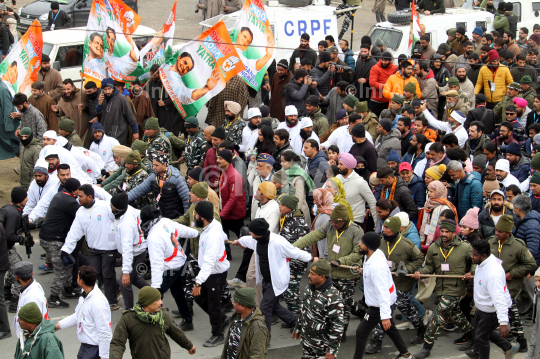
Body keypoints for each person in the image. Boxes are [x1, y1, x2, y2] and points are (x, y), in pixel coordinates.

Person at [232, 218, 313, 336]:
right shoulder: (257, 239)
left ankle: (264, 338)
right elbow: (248, 240)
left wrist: (310, 258)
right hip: (266, 280)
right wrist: (239, 241)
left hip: (276, 282)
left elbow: (295, 252)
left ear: (259, 233)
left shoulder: (278, 242)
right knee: (274, 306)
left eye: (251, 231)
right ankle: (296, 321)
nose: (250, 232)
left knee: (265, 308)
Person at [293, 205, 363, 340]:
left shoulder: (356, 231)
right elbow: (312, 236)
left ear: (344, 221)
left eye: (336, 222)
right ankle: (356, 314)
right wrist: (293, 247)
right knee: (332, 303)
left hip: (347, 274)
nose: (334, 224)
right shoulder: (329, 225)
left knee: (344, 306)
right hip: (331, 273)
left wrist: (341, 261)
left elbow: (358, 253)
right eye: (332, 221)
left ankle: (341, 334)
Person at [413, 219, 474, 359]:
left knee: (437, 317)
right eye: (442, 231)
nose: (444, 234)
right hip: (441, 289)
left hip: (457, 288)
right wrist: (421, 272)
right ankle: (472, 337)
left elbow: (475, 263)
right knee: (456, 315)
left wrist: (471, 273)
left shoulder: (465, 247)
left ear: (454, 232)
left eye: (447, 232)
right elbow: (429, 266)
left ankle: (426, 347)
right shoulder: (434, 247)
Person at [353, 232, 413, 359]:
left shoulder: (376, 266)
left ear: (369, 246)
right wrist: (364, 271)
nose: (359, 244)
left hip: (378, 305)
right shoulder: (373, 254)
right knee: (390, 329)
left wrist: (385, 315)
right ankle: (406, 355)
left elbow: (383, 292)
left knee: (361, 332)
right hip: (382, 302)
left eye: (362, 243)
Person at [60, 184, 118, 309]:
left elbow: (118, 219)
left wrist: (114, 239)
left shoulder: (104, 206)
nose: (78, 199)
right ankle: (90, 299)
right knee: (92, 274)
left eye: (81, 196)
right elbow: (74, 231)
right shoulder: (80, 212)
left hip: (109, 247)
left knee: (108, 274)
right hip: (93, 249)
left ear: (90, 197)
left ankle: (112, 301)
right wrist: (66, 250)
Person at [487, 214, 537, 352]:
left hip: (510, 286)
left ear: (508, 233)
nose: (496, 233)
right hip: (493, 285)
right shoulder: (490, 242)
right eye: (496, 230)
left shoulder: (518, 246)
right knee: (512, 313)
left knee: (507, 310)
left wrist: (512, 274)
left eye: (500, 231)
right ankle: (520, 341)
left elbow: (530, 263)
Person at [466, 240, 520, 359]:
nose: (472, 257)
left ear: (483, 256)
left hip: (491, 310)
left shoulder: (493, 274)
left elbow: (499, 299)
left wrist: (503, 322)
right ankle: (508, 347)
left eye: (475, 255)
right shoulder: (484, 262)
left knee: (481, 338)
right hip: (482, 307)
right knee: (483, 332)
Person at [110, 286, 196, 358]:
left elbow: (176, 333)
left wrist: (189, 346)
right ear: (148, 303)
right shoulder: (128, 318)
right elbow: (117, 343)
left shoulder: (163, 315)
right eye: (158, 300)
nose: (161, 302)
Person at [39, 178, 80, 309]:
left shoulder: (60, 195)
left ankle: (67, 290)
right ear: (74, 190)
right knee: (61, 269)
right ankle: (53, 297)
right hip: (54, 240)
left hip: (47, 236)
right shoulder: (70, 202)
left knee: (68, 263)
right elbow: (81, 216)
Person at [292, 258, 345, 358]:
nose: (309, 276)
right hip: (307, 343)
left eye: (312, 274)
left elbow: (337, 325)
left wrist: (332, 350)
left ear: (322, 277)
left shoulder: (333, 297)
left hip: (322, 349)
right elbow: (304, 310)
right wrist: (298, 327)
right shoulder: (309, 289)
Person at [56, 266, 112, 359]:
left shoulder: (97, 303)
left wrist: (104, 357)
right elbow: (77, 316)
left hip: (94, 350)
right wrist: (58, 325)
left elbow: (104, 332)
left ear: (81, 282)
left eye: (77, 277)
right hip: (85, 347)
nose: (76, 278)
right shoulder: (84, 294)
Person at [110, 193, 149, 311]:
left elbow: (127, 250)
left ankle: (129, 310)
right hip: (136, 251)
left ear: (117, 208)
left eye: (111, 206)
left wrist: (126, 271)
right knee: (135, 278)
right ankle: (155, 293)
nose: (110, 207)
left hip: (135, 253)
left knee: (124, 283)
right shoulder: (126, 211)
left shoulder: (126, 225)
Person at [128, 152, 189, 219]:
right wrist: (124, 199)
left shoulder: (177, 179)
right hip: (161, 216)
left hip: (176, 218)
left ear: (164, 165)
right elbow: (139, 190)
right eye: (153, 164)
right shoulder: (154, 177)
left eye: (156, 165)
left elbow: (186, 200)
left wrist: (185, 219)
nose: (153, 167)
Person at [278, 195, 309, 315]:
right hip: (287, 262)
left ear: (290, 207)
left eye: (282, 205)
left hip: (295, 263)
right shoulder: (288, 218)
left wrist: (294, 266)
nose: (280, 207)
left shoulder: (298, 223)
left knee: (291, 292)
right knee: (288, 292)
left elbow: (302, 247)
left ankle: (298, 319)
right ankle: (293, 316)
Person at [221, 287, 269, 359]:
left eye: (235, 302)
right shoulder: (236, 317)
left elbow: (257, 356)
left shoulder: (258, 327)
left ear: (243, 306)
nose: (232, 303)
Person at [336, 153, 377, 226]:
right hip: (338, 220)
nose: (338, 166)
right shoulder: (337, 178)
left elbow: (372, 202)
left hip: (355, 222)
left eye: (341, 164)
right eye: (338, 164)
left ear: (348, 166)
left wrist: (377, 225)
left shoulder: (360, 182)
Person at [12, 261, 48, 338]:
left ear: (17, 277)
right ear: (32, 274)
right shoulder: (34, 286)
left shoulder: (32, 297)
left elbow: (33, 323)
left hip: (31, 337)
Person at [369, 52, 398, 116]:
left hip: (388, 101)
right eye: (383, 60)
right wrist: (387, 87)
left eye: (386, 61)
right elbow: (372, 83)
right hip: (376, 100)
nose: (384, 62)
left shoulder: (395, 68)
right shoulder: (375, 68)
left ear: (390, 61)